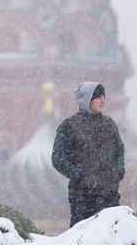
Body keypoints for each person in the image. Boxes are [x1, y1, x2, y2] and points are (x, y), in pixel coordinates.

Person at [51, 82, 125, 226]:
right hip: (83, 197)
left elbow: (120, 150)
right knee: (83, 239)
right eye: (97, 96)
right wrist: (78, 174)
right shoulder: (70, 126)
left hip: (109, 194)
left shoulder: (109, 124)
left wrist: (119, 171)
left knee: (111, 238)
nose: (102, 100)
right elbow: (58, 158)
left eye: (103, 96)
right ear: (86, 99)